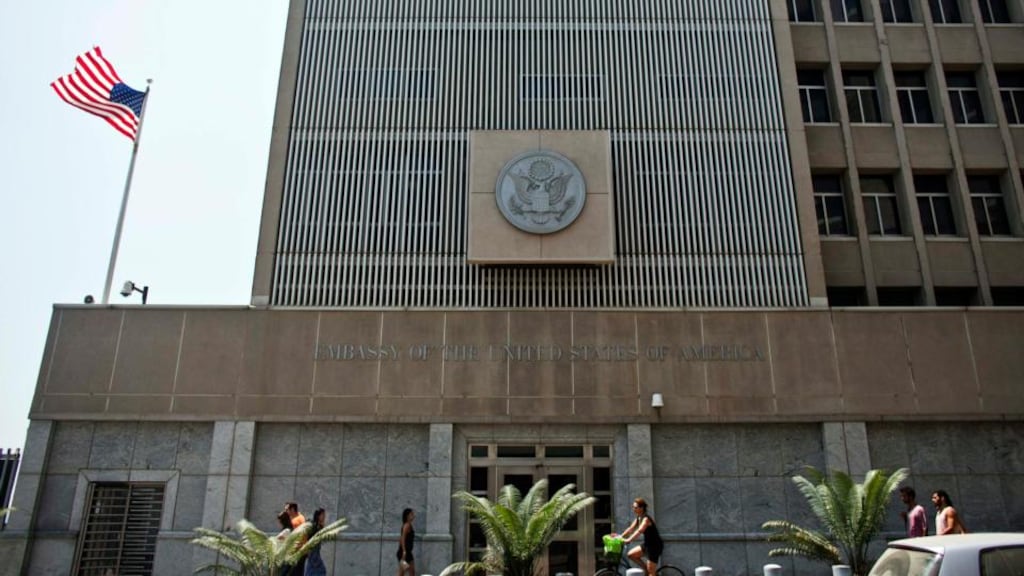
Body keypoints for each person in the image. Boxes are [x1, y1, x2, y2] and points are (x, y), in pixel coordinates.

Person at [617, 497, 663, 576]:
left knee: (651, 573)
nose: (633, 509)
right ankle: (646, 569)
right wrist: (620, 536)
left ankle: (650, 572)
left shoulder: (646, 519)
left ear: (641, 508)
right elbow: (630, 529)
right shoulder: (639, 518)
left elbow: (639, 531)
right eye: (633, 507)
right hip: (647, 545)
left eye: (635, 507)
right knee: (631, 554)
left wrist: (629, 540)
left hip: (654, 546)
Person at [285, 502, 308, 575]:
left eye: (287, 510)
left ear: (292, 509)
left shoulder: (298, 519)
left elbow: (303, 534)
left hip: (298, 551)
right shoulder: (296, 518)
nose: (285, 512)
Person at [304, 508, 327, 576]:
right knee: (321, 569)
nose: (324, 516)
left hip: (316, 550)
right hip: (312, 550)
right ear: (318, 515)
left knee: (312, 568)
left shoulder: (319, 526)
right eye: (323, 515)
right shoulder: (314, 525)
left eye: (324, 515)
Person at [396, 508, 416, 576]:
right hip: (404, 553)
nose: (413, 516)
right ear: (407, 516)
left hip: (408, 553)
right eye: (411, 514)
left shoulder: (409, 525)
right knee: (402, 572)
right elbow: (402, 538)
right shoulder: (407, 525)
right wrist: (404, 551)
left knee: (410, 572)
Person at [276, 511, 294, 576]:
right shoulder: (286, 530)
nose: (279, 522)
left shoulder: (287, 531)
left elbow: (278, 539)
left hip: (284, 558)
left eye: (280, 520)